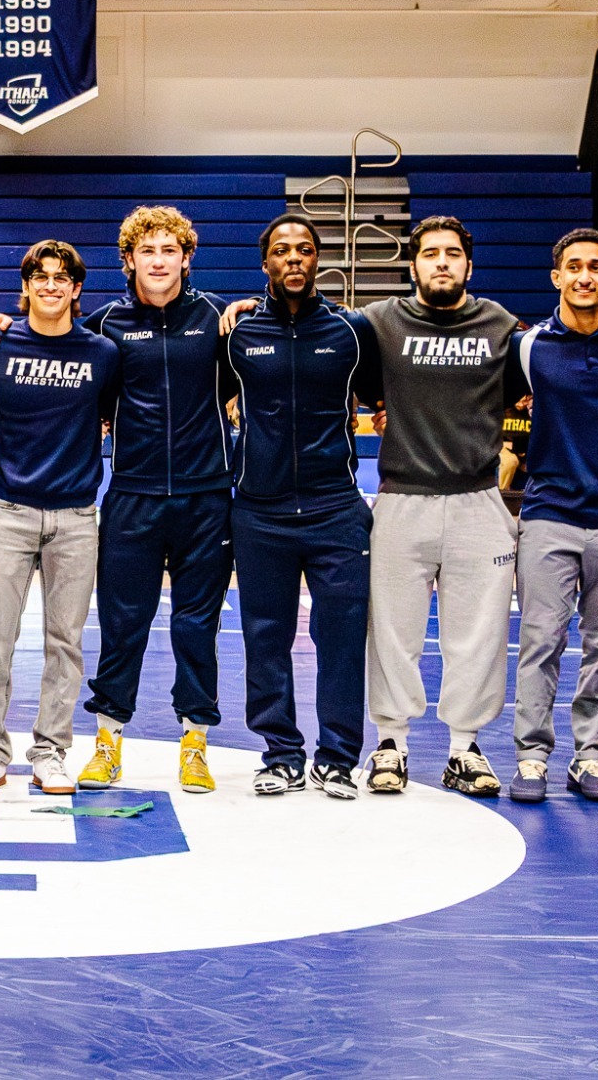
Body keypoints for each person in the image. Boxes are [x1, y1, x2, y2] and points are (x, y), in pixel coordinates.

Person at [0, 206, 234, 793]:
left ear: (186, 258)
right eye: (147, 251)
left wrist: (249, 309)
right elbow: (52, 339)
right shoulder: (105, 330)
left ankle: (194, 742)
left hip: (205, 498)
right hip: (131, 497)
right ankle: (107, 742)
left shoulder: (219, 317)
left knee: (196, 627)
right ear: (128, 260)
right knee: (123, 626)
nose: (158, 260)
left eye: (169, 250)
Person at [356, 217, 524, 796]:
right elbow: (312, 334)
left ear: (469, 266)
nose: (443, 263)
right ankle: (389, 744)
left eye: (453, 253)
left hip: (478, 499)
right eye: (430, 254)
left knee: (478, 633)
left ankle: (464, 749)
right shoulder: (379, 323)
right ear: (413, 266)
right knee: (392, 630)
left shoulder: (502, 326)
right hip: (403, 497)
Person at [222, 215, 377, 799]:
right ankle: (281, 752)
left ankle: (338, 756)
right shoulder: (234, 333)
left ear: (318, 260)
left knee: (341, 636)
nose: (294, 259)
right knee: (266, 636)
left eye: (305, 250)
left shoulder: (351, 330)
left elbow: (386, 395)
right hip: (258, 511)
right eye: (282, 251)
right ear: (265, 263)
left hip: (335, 507)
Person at [0, 240, 117, 798]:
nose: (51, 286)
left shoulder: (103, 353)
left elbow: (117, 412)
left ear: (77, 289)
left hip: (77, 516)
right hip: (9, 513)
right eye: (40, 277)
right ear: (25, 286)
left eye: (62, 278)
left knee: (65, 643)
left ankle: (50, 752)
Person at [504, 229, 598, 804]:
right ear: (556, 277)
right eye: (574, 267)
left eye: (596, 267)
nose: (584, 276)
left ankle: (589, 757)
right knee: (541, 640)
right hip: (549, 515)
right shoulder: (529, 346)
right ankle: (533, 757)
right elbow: (489, 407)